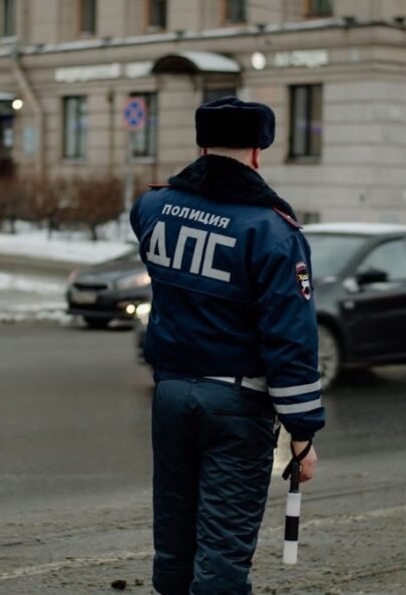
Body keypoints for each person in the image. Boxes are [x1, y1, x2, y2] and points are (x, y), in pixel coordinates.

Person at [130, 97, 325, 594]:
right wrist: (301, 434)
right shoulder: (272, 231)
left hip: (170, 396)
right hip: (237, 406)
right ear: (258, 152)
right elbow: (291, 339)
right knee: (221, 557)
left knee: (173, 542)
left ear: (201, 144)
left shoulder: (153, 208)